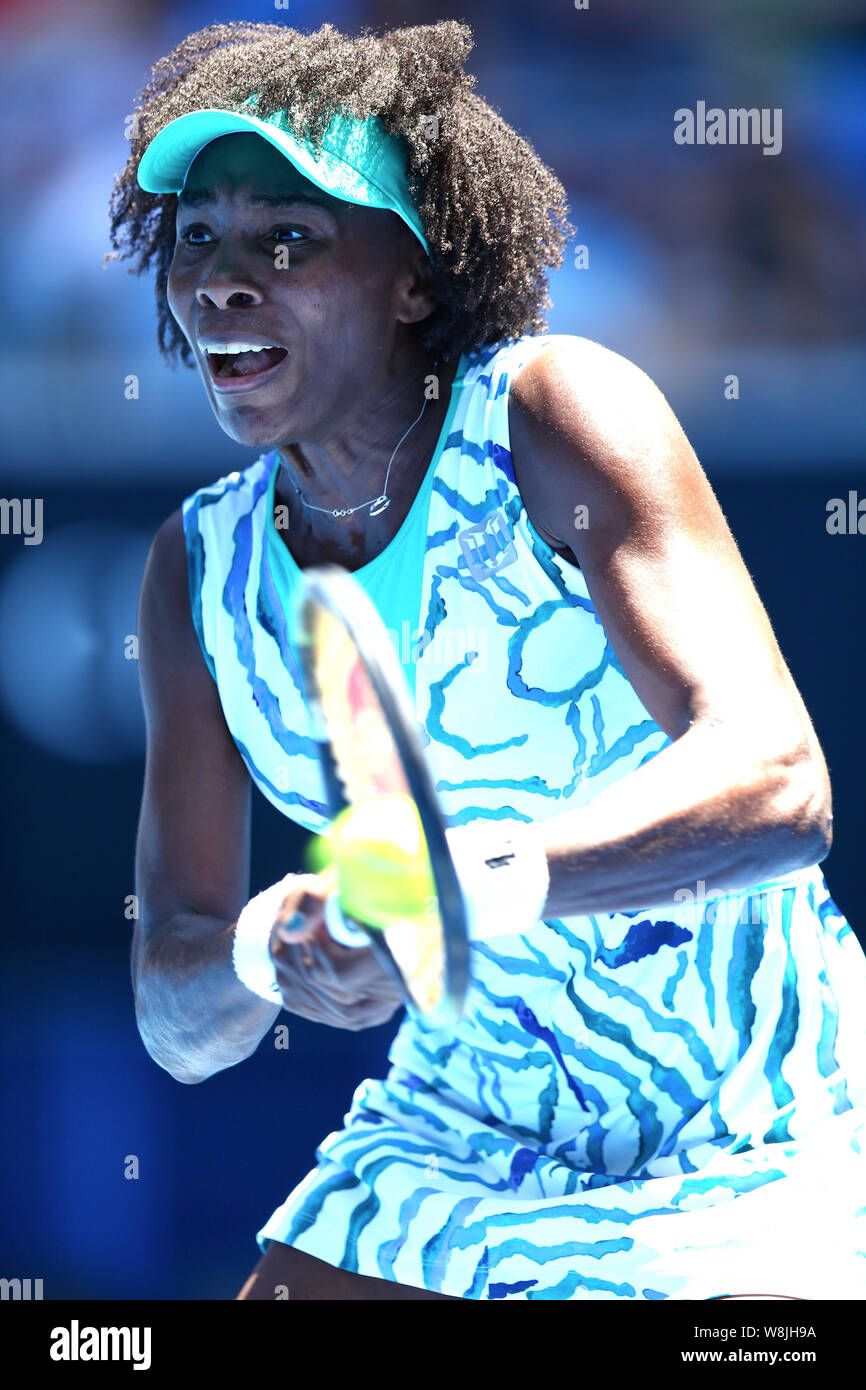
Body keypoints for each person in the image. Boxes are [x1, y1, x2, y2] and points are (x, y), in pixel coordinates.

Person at [112, 19, 866, 1301]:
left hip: (765, 1112)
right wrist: (268, 946)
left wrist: (461, 889)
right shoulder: (197, 572)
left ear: (411, 278)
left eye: (286, 238)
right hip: (465, 1131)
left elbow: (779, 783)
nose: (221, 279)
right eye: (199, 238)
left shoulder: (554, 415)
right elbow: (174, 1007)